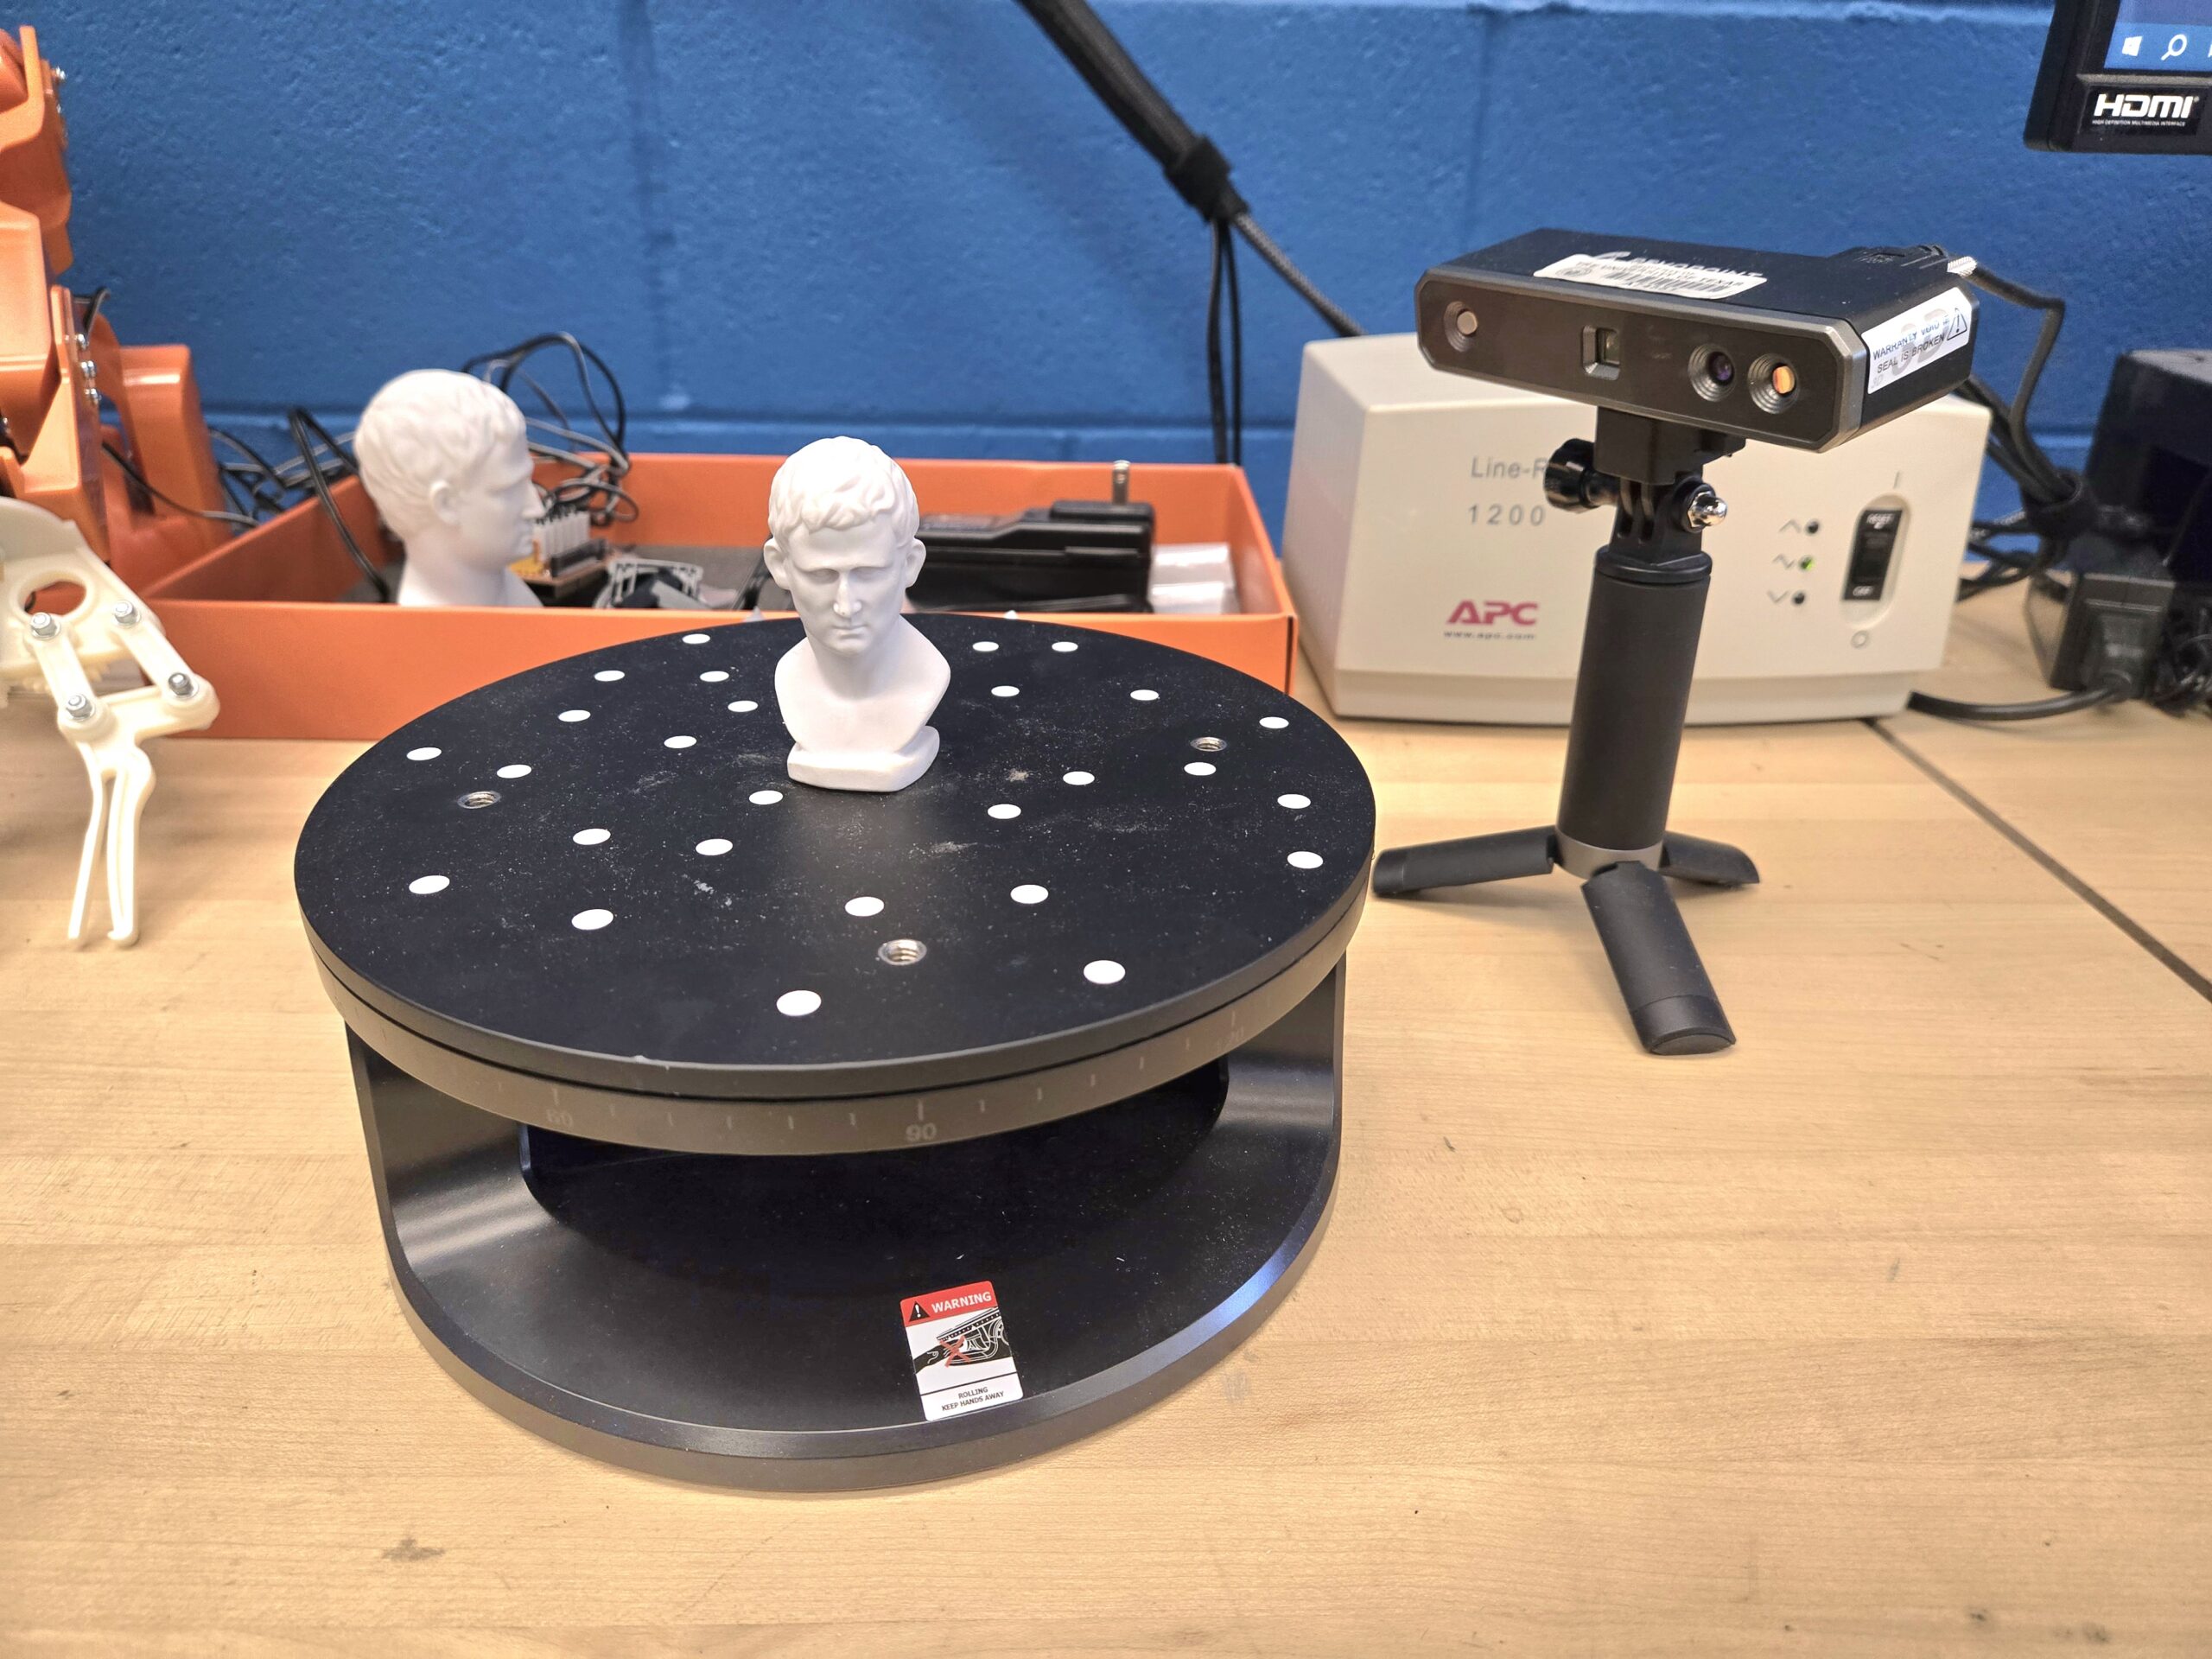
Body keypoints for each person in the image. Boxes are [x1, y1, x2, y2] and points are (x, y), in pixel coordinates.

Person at [762, 436, 950, 791]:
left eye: (869, 573)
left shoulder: (928, 675)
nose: (846, 605)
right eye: (821, 575)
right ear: (779, 567)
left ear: (910, 564)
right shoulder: (790, 679)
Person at [353, 370, 543, 608]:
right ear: (446, 504)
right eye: (509, 490)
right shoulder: (426, 629)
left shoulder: (513, 594)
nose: (537, 508)